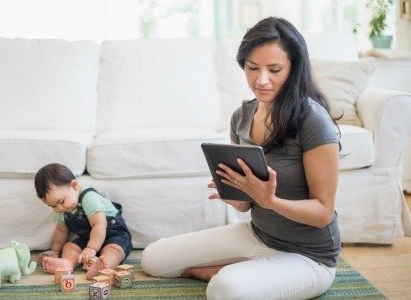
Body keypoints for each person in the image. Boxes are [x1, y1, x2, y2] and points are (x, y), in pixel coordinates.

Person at [141, 17, 341, 300]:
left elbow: (323, 213)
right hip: (259, 235)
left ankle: (230, 274)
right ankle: (250, 269)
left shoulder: (313, 120)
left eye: (274, 70)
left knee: (224, 290)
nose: (261, 80)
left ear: (294, 69)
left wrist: (269, 200)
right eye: (252, 68)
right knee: (154, 259)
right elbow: (245, 206)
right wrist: (234, 191)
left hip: (309, 257)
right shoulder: (242, 117)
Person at [34, 163, 132, 280]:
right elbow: (61, 232)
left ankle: (102, 268)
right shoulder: (63, 211)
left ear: (74, 186)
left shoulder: (88, 198)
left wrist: (92, 248)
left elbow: (99, 224)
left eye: (61, 201)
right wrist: (55, 250)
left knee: (114, 250)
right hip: (88, 238)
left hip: (113, 233)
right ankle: (68, 264)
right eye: (53, 206)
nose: (59, 208)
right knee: (70, 246)